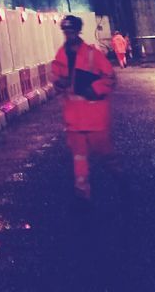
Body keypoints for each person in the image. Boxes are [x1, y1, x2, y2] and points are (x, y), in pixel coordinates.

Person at [52, 14, 118, 200]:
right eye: (66, 31)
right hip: (74, 120)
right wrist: (60, 82)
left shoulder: (92, 54)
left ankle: (120, 179)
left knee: (106, 156)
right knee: (79, 159)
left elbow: (110, 78)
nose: (69, 34)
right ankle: (83, 195)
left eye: (72, 31)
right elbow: (56, 79)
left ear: (78, 31)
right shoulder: (61, 55)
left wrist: (93, 89)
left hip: (94, 118)